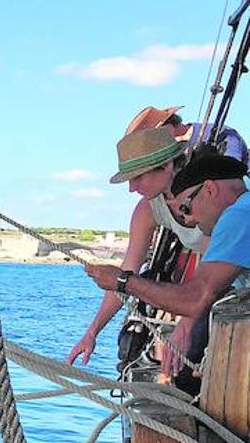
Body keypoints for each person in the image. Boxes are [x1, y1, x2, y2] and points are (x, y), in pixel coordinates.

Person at [86, 152, 250, 378]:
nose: (189, 220)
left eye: (186, 209)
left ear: (210, 189)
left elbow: (196, 298)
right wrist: (92, 331)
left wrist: (123, 281)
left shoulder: (239, 215)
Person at [67, 126, 199, 365]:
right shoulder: (148, 209)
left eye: (138, 177)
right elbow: (126, 273)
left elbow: (216, 273)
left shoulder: (207, 195)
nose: (131, 187)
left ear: (168, 166)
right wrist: (92, 332)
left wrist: (187, 324)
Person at [125, 105, 249, 164]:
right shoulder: (171, 157)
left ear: (167, 127)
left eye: (152, 139)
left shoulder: (221, 134)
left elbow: (232, 170)